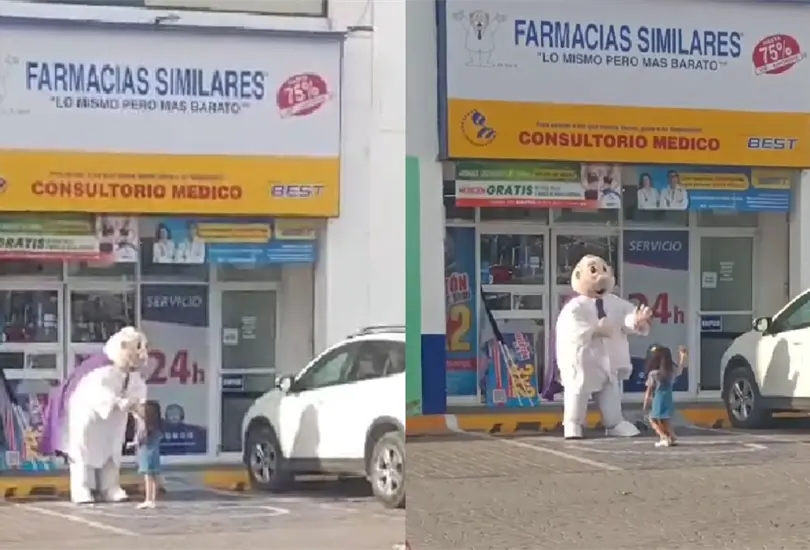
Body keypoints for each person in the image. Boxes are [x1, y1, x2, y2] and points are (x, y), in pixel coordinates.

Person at [643, 344, 688, 447]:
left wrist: (645, 404)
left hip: (658, 398)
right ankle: (671, 436)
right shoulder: (670, 371)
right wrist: (682, 357)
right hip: (668, 397)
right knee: (665, 419)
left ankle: (663, 437)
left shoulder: (653, 374)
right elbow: (680, 370)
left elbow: (648, 391)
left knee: (653, 419)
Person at [133, 400, 163, 509]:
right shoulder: (157, 426)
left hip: (146, 454)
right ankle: (152, 500)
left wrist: (134, 443)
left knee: (148, 477)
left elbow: (141, 439)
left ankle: (148, 499)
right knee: (153, 477)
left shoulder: (146, 427)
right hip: (154, 454)